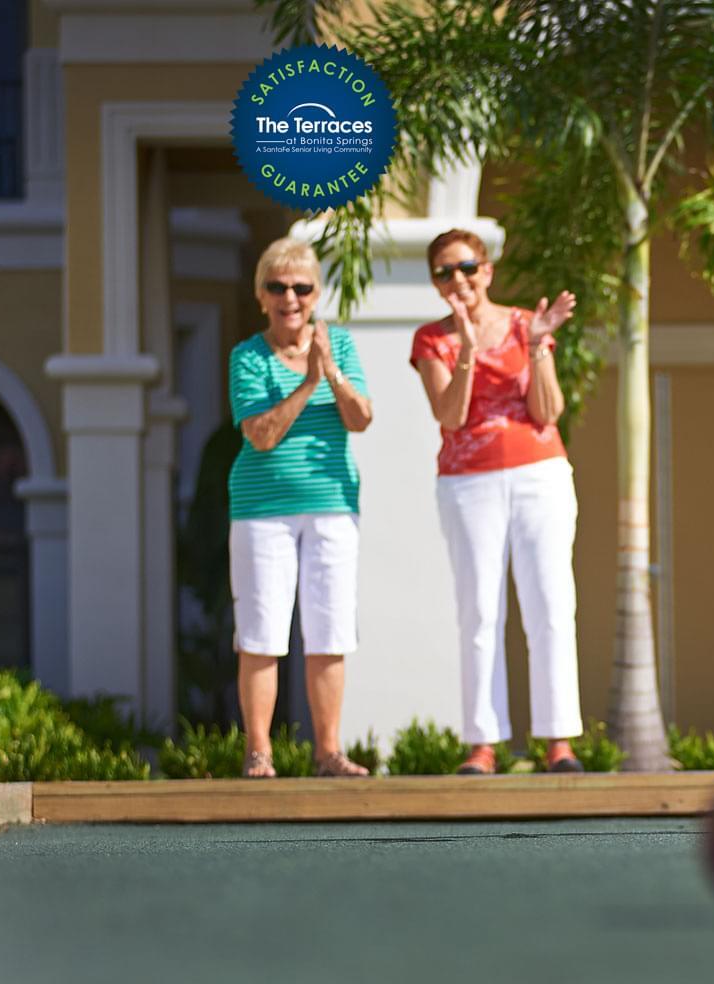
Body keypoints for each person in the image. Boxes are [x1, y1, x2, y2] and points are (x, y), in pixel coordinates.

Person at [410, 228, 585, 775]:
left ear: (486, 270)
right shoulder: (432, 340)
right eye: (444, 272)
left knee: (551, 604)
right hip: (469, 482)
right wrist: (464, 347)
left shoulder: (522, 324)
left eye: (465, 267)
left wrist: (536, 346)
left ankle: (558, 742)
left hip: (540, 474)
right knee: (480, 610)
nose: (457, 279)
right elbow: (451, 415)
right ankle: (483, 745)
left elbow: (548, 410)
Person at [228, 237, 373, 778]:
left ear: (315, 295)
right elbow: (260, 435)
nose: (290, 297)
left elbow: (360, 418)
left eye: (301, 287)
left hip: (333, 506)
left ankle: (328, 752)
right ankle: (259, 753)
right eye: (278, 286)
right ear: (261, 295)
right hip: (261, 510)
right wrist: (308, 382)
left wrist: (330, 372)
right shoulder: (247, 356)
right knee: (261, 633)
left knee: (331, 630)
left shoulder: (342, 346)